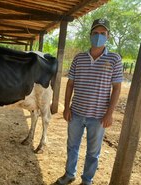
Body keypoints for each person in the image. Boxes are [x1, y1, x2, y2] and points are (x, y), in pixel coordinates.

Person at [55, 18, 123, 185]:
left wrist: (109, 114)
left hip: (99, 117)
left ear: (108, 36)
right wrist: (67, 107)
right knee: (72, 147)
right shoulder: (79, 58)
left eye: (102, 33)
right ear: (90, 35)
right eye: (95, 33)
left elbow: (117, 88)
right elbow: (70, 84)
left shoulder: (114, 59)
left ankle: (87, 180)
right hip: (76, 113)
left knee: (93, 153)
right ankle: (69, 174)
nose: (98, 36)